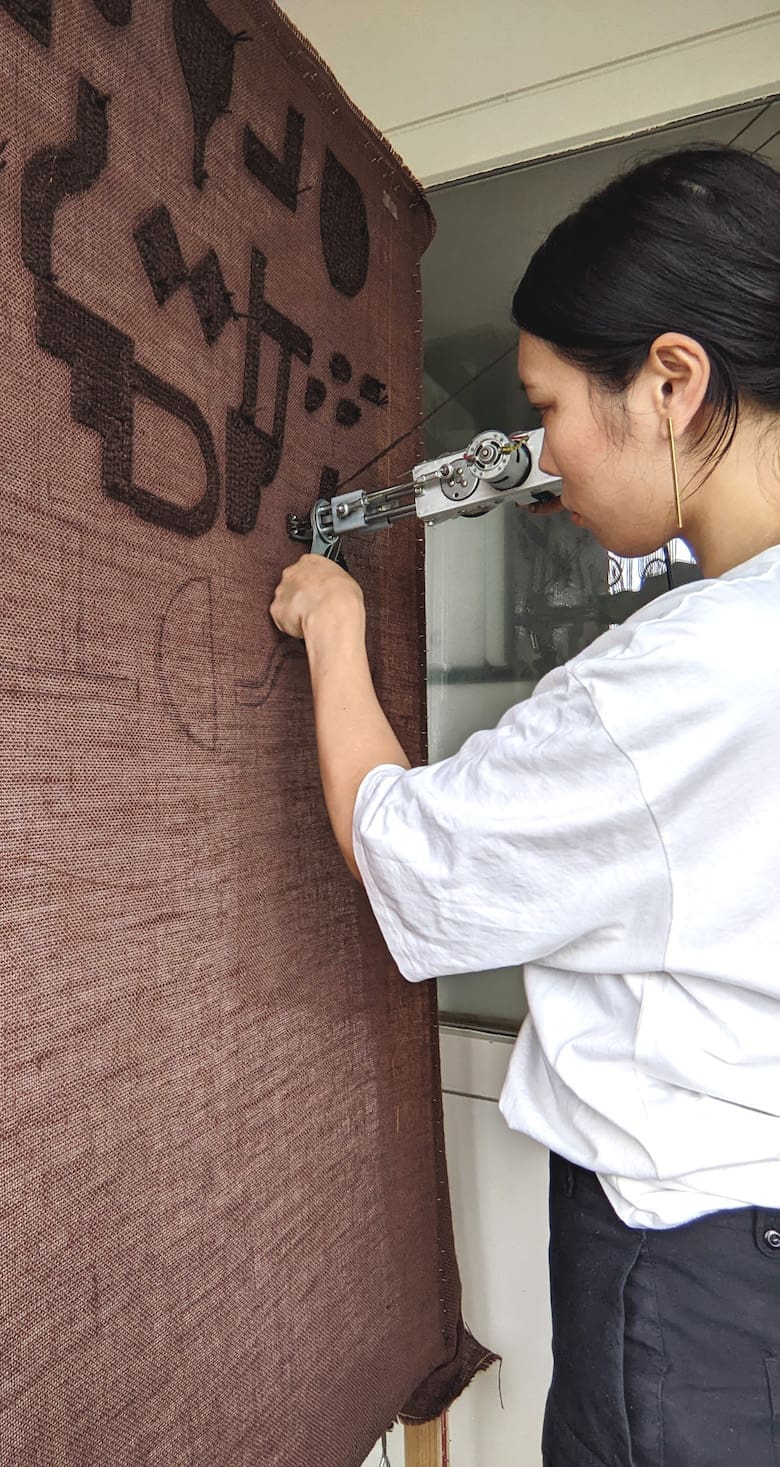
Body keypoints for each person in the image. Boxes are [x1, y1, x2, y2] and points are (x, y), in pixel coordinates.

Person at [270, 145, 780, 1467]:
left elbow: (415, 864)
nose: (542, 457)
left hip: (698, 1264)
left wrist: (332, 627)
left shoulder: (688, 673)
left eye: (549, 408)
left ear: (671, 381)